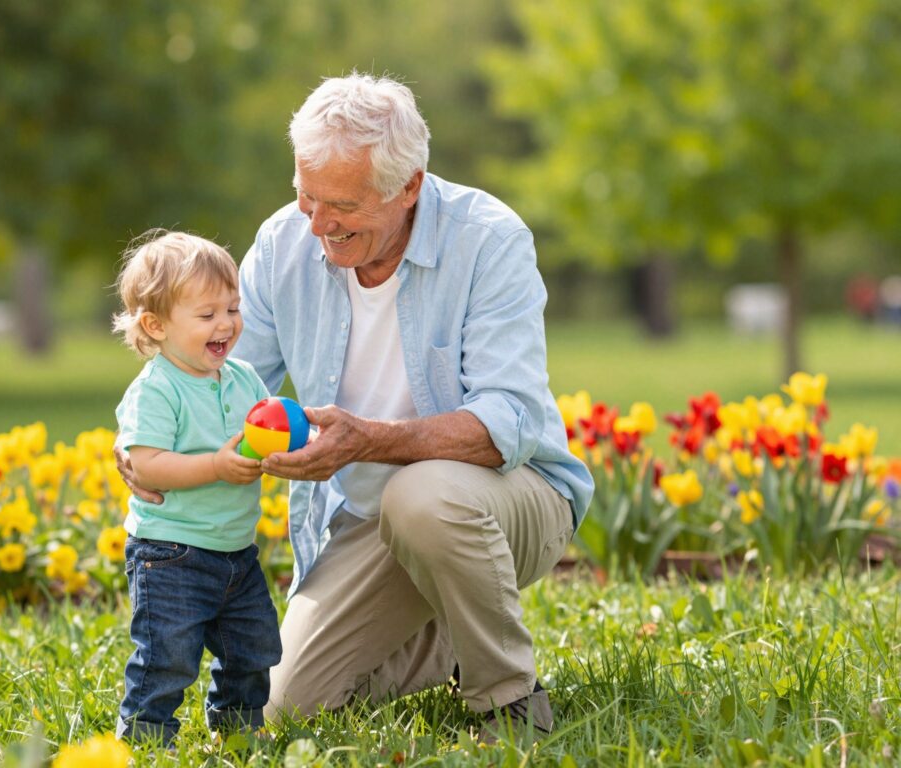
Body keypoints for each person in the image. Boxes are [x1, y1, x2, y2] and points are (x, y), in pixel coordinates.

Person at [119, 73, 594, 743]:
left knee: (423, 498)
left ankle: (508, 700)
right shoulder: (286, 243)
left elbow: (509, 423)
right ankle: (451, 626)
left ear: (409, 187)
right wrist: (150, 447)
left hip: (506, 498)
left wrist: (369, 440)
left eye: (338, 204)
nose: (315, 225)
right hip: (362, 524)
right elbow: (208, 373)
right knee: (288, 705)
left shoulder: (488, 239)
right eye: (304, 195)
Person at [111, 230, 281, 746]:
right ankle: (144, 739)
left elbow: (265, 430)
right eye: (207, 315)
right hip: (172, 555)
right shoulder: (157, 389)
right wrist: (217, 466)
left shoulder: (243, 377)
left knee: (253, 650)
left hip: (237, 552)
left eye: (232, 308)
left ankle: (237, 733)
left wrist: (297, 440)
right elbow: (148, 466)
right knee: (167, 657)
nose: (226, 324)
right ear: (155, 325)